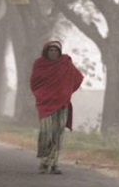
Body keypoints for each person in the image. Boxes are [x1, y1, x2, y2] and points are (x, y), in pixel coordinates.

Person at [30, 40, 84, 174]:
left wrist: (66, 91)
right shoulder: (40, 65)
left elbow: (77, 78)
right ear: (46, 52)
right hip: (46, 104)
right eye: (50, 50)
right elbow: (34, 83)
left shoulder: (65, 63)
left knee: (57, 134)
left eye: (55, 50)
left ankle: (53, 164)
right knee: (46, 132)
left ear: (59, 52)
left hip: (61, 104)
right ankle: (44, 161)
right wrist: (41, 95)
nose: (53, 53)